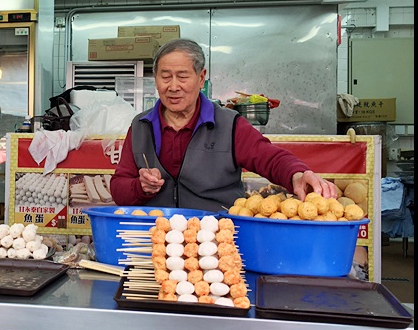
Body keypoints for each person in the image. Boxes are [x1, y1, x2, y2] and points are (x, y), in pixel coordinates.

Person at [110, 38, 338, 211]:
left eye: (183, 76)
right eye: (165, 76)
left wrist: (297, 175)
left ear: (201, 78)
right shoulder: (141, 126)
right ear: (155, 79)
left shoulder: (229, 125)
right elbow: (119, 188)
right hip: (155, 238)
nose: (173, 86)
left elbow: (269, 157)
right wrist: (140, 188)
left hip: (217, 239)